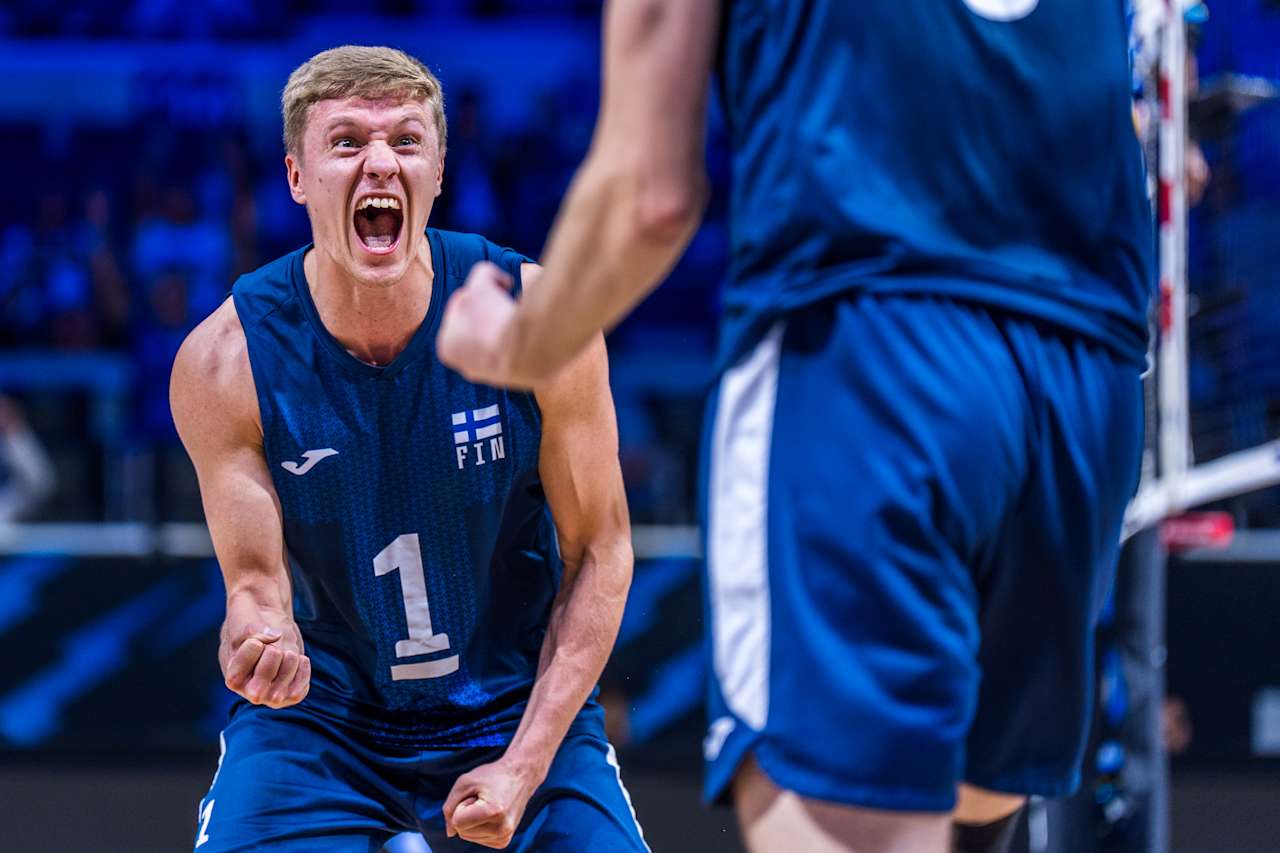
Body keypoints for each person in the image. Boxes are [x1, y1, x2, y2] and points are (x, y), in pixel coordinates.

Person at [438, 3, 1153, 852]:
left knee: (856, 823)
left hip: (864, 345)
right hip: (1084, 373)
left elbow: (650, 197)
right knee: (977, 802)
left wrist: (523, 340)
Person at [170, 45, 646, 852]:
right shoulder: (226, 360)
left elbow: (601, 550)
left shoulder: (537, 323)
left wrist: (524, 765)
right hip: (323, 718)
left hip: (512, 702)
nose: (381, 162)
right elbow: (254, 585)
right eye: (347, 142)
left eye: (406, 141)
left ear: (438, 171)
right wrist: (258, 638)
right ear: (297, 177)